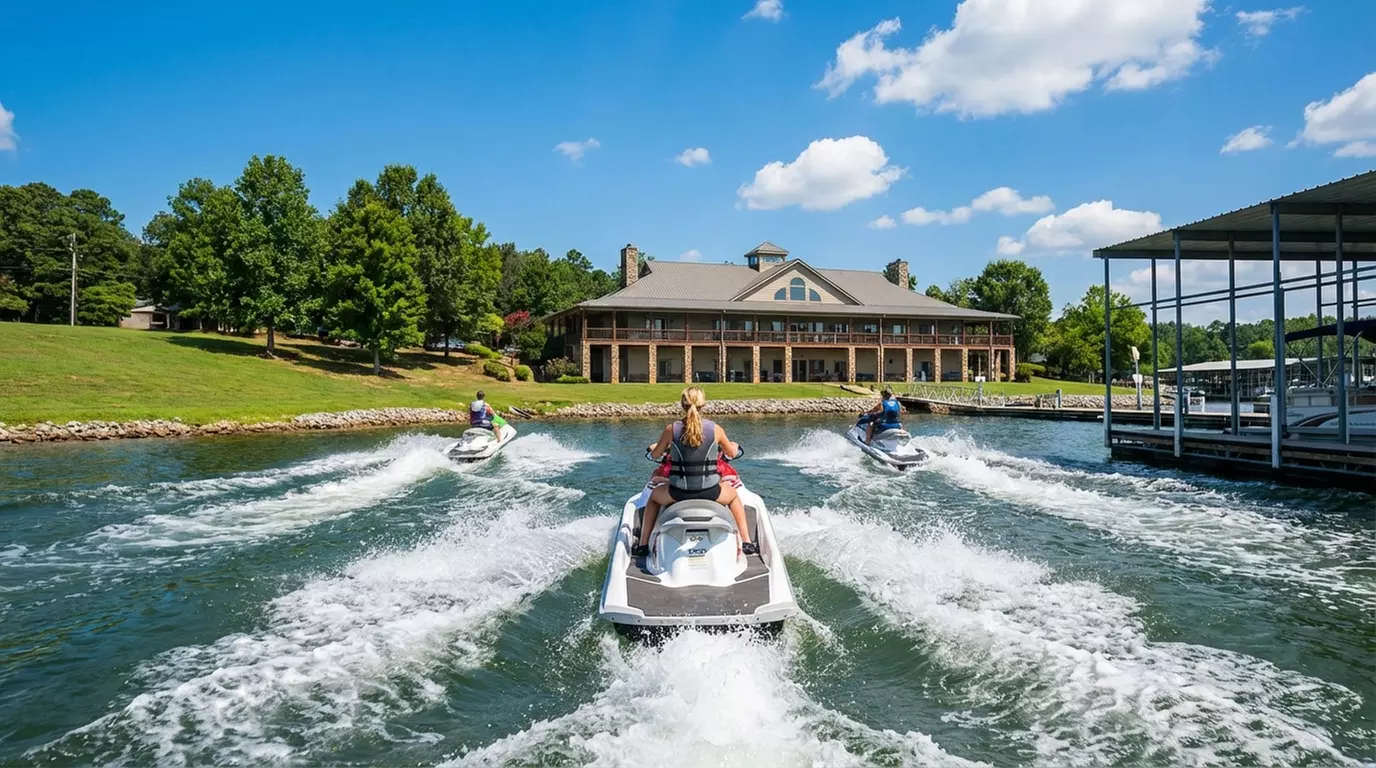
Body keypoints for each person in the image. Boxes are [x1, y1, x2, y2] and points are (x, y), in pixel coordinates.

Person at [634, 386, 757, 558]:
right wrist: (734, 446)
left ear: (682, 404)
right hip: (711, 492)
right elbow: (730, 453)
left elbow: (655, 454)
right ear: (703, 404)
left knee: (654, 498)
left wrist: (658, 447)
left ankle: (642, 544)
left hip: (677, 493)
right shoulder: (716, 429)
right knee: (734, 496)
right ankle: (746, 541)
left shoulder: (671, 429)